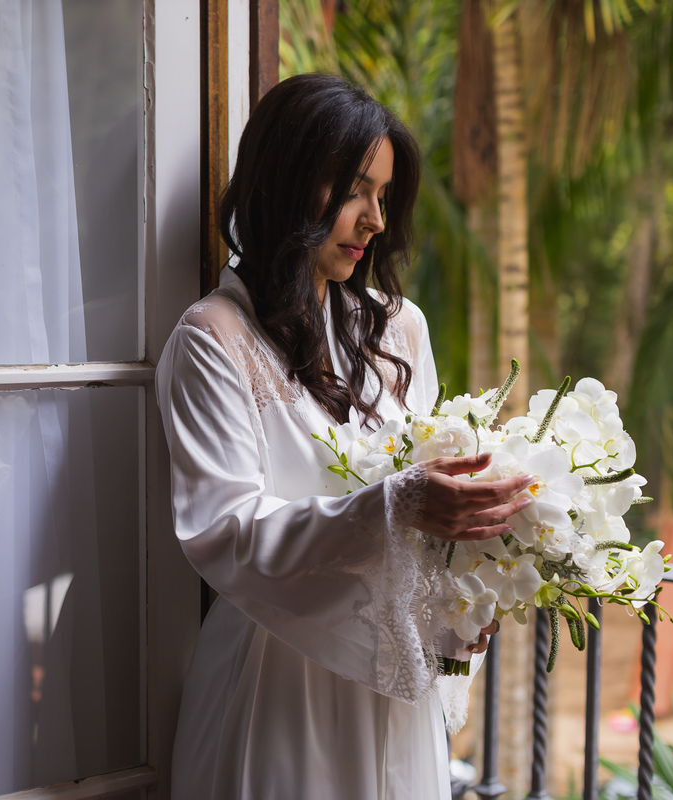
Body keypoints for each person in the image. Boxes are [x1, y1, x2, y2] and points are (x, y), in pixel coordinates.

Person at [155, 74, 532, 799]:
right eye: (356, 191)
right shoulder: (212, 340)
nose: (375, 220)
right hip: (275, 684)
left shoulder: (400, 329)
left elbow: (429, 509)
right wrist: (395, 505)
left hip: (393, 681)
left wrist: (459, 597)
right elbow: (224, 532)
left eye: (383, 196)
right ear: (287, 181)